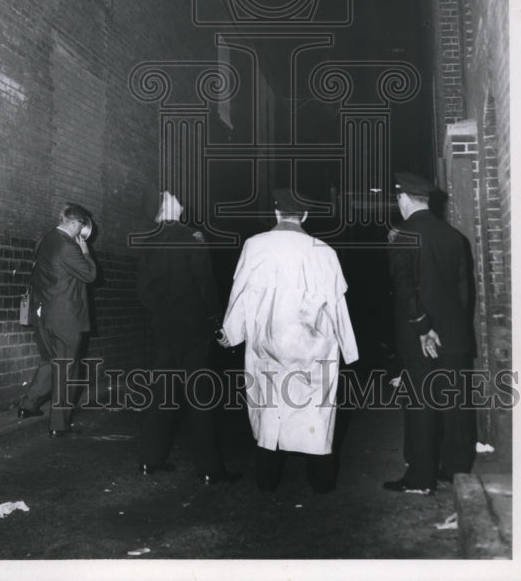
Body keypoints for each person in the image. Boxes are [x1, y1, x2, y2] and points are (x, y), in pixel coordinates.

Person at [217, 188, 358, 493]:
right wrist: (349, 349)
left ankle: (267, 481)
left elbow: (240, 293)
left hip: (267, 344)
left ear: (277, 213)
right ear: (305, 216)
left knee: (269, 411)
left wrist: (230, 333)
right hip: (314, 346)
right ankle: (321, 481)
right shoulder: (324, 251)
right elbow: (337, 304)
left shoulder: (255, 246)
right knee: (316, 413)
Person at [134, 185, 241, 485]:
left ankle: (149, 460)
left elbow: (143, 290)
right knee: (200, 398)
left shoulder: (147, 241)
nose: (179, 200)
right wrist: (216, 321)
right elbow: (205, 285)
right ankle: (209, 468)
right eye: (172, 197)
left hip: (164, 330)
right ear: (165, 208)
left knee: (161, 395)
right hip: (193, 329)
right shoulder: (191, 236)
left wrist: (161, 316)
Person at [383, 171, 476, 495]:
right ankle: (455, 471)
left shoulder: (402, 234)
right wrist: (450, 331)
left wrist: (424, 327)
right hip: (454, 334)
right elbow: (464, 294)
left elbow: (405, 287)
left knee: (421, 403)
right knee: (454, 404)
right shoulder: (454, 237)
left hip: (417, 334)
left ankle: (421, 478)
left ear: (403, 199)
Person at [18, 203, 97, 436]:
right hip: (65, 318)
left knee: (49, 361)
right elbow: (91, 275)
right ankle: (59, 426)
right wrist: (86, 252)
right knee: (67, 368)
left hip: (43, 313)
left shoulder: (46, 239)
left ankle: (28, 405)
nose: (82, 232)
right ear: (74, 223)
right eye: (81, 226)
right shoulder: (68, 247)